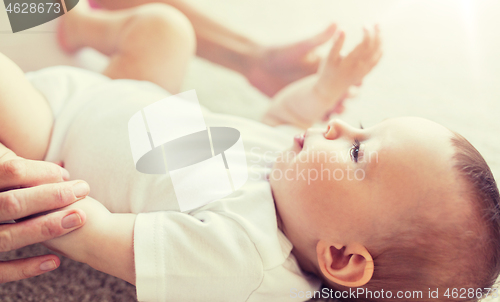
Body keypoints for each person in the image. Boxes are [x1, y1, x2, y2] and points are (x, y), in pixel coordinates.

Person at [1, 4, 499, 302]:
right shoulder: (294, 174)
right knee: (165, 27)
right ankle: (75, 23)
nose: (339, 126)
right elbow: (281, 116)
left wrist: (41, 193)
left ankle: (32, 27)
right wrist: (322, 87)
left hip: (53, 132)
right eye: (363, 128)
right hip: (134, 99)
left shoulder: (244, 257)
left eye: (357, 154)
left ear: (342, 257)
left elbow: (107, 240)